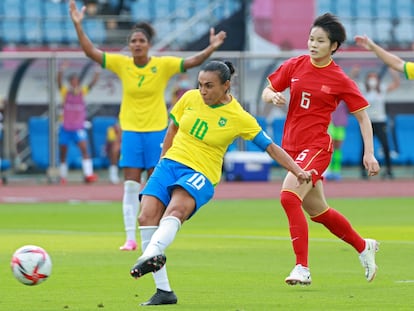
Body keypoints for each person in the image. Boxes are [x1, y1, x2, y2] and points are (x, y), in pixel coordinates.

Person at [128, 60, 314, 305]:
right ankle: (164, 291)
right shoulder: (189, 98)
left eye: (209, 86)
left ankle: (151, 254)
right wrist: (162, 161)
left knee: (175, 211)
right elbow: (173, 127)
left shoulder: (239, 116)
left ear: (226, 85)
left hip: (201, 173)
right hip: (169, 165)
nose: (203, 91)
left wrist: (297, 170)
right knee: (146, 217)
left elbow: (270, 147)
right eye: (200, 85)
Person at [69, 0, 227, 251]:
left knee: (156, 184)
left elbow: (192, 62)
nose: (137, 44)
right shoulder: (122, 64)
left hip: (157, 132)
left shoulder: (161, 65)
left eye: (141, 40)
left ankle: (156, 236)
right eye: (133, 41)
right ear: (129, 45)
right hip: (131, 132)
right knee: (131, 184)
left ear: (149, 44)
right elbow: (91, 52)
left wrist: (211, 48)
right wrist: (78, 25)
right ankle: (130, 238)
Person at [261, 13, 381, 286]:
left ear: (334, 46)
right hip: (291, 149)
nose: (313, 44)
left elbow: (363, 116)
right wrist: (273, 95)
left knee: (288, 197)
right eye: (311, 39)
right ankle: (364, 246)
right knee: (319, 212)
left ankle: (302, 267)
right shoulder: (296, 65)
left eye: (320, 41)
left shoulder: (339, 78)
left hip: (316, 147)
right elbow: (268, 90)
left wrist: (369, 153)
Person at [57, 61, 100, 184]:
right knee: (63, 151)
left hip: (78, 127)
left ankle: (88, 174)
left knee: (84, 149)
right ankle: (63, 176)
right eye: (73, 80)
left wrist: (97, 71)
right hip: (66, 126)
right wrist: (61, 70)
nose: (75, 82)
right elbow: (59, 82)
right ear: (70, 82)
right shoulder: (65, 92)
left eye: (76, 80)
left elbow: (92, 83)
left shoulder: (82, 91)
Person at [358, 67, 400, 179]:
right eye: (370, 77)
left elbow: (396, 84)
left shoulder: (381, 88)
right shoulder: (363, 89)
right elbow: (349, 85)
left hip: (380, 121)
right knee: (364, 147)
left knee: (385, 146)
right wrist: (353, 73)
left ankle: (389, 170)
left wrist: (394, 74)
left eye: (374, 77)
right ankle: (363, 171)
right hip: (367, 122)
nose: (372, 79)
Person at [325, 101, 348, 181]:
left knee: (338, 148)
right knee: (330, 147)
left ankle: (336, 171)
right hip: (330, 123)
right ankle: (328, 170)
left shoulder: (344, 96)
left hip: (341, 123)